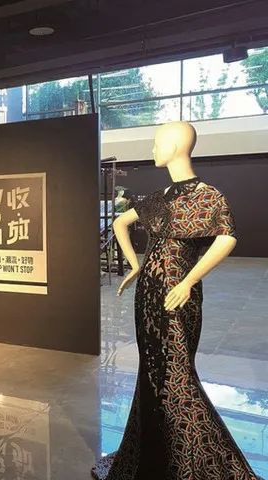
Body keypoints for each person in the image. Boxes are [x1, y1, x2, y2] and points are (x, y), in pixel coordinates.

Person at [91, 121, 263, 480]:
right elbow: (120, 224)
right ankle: (156, 456)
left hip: (177, 294)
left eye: (157, 142)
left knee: (177, 376)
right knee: (152, 373)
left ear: (174, 145)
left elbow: (227, 237)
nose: (153, 149)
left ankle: (198, 463)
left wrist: (190, 280)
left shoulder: (207, 196)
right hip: (148, 295)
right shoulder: (159, 197)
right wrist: (135, 265)